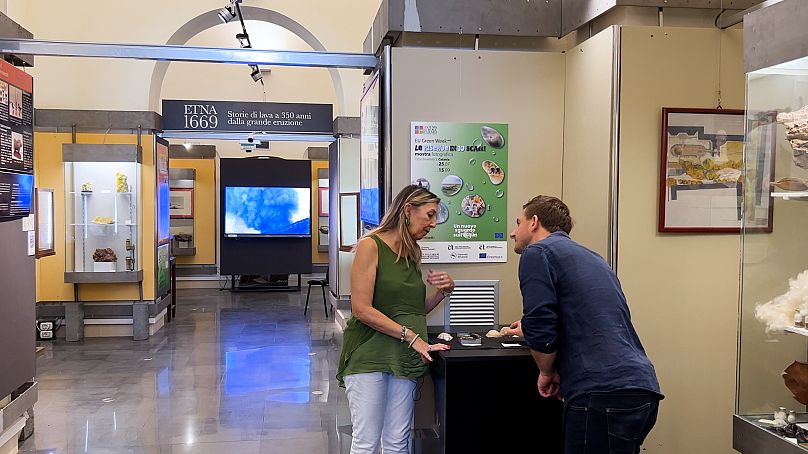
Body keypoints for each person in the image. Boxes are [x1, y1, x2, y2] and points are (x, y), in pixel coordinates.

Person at [507, 195, 662, 454]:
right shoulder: (592, 257)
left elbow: (542, 327)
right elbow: (595, 315)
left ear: (534, 222)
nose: (513, 232)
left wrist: (547, 372)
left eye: (518, 223)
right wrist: (528, 327)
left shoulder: (537, 252)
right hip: (641, 389)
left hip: (600, 393)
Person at [337, 185, 455, 454]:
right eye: (430, 215)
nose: (433, 224)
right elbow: (362, 309)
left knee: (397, 441)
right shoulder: (370, 245)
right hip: (370, 355)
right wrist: (412, 337)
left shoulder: (412, 252)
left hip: (406, 356)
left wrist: (443, 293)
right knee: (366, 442)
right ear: (408, 210)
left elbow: (412, 312)